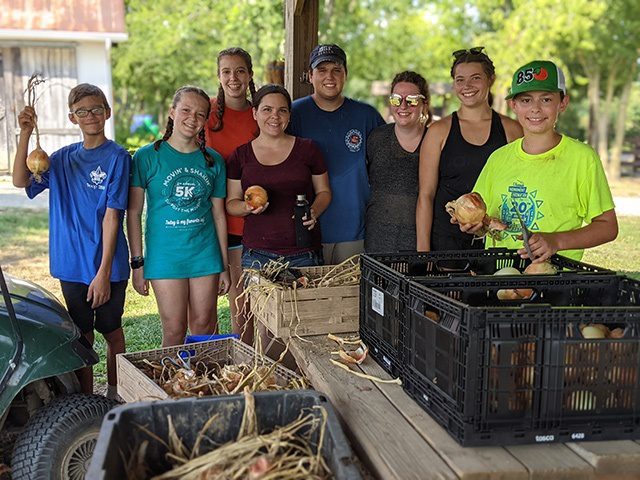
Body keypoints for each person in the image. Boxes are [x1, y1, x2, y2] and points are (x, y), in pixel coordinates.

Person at [12, 84, 130, 399]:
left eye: (96, 109)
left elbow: (112, 216)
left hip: (108, 266)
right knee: (82, 336)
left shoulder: (118, 157)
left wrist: (103, 273)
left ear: (107, 112)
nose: (90, 116)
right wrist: (25, 134)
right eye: (82, 111)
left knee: (112, 331)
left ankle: (116, 395)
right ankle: (88, 401)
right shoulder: (60, 160)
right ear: (72, 118)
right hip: (71, 265)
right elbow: (21, 180)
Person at [456, 60, 617, 262]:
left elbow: (608, 226)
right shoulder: (498, 158)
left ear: (563, 103)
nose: (535, 109)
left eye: (546, 100)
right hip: (500, 279)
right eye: (525, 100)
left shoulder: (582, 158)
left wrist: (556, 241)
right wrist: (475, 226)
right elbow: (486, 222)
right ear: (513, 105)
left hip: (556, 280)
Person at [128, 86, 229, 347]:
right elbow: (134, 212)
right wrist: (138, 264)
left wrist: (224, 266)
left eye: (200, 114)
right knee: (174, 330)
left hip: (204, 254)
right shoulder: (146, 157)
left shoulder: (213, 161)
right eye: (186, 110)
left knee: (204, 326)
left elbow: (219, 215)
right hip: (165, 256)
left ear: (206, 120)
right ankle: (172, 387)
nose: (192, 118)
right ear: (172, 112)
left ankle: (202, 386)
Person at [416, 47, 523, 251]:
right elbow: (426, 196)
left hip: (497, 241)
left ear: (490, 79)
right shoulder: (439, 131)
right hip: (447, 243)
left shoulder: (511, 130)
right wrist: (423, 255)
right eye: (460, 79)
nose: (467, 86)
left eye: (475, 78)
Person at [288, 44, 385, 264]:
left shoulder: (366, 116)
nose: (329, 76)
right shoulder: (293, 114)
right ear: (310, 76)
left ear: (346, 75)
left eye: (336, 70)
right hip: (306, 231)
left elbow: (385, 170)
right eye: (321, 70)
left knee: (351, 298)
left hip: (355, 231)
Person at [226, 84, 331, 269]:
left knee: (304, 300)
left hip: (303, 253)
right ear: (255, 113)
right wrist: (247, 207)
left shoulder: (308, 149)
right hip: (257, 255)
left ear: (289, 116)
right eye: (267, 109)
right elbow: (231, 203)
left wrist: (314, 211)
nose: (275, 116)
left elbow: (324, 192)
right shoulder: (240, 155)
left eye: (282, 110)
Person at [205, 47, 258, 341]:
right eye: (226, 71)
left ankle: (244, 362)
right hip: (207, 221)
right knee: (204, 303)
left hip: (245, 220)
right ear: (218, 76)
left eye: (240, 71)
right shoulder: (206, 114)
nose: (233, 78)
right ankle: (208, 366)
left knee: (241, 302)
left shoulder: (261, 114)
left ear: (250, 75)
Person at [365, 71, 431, 253]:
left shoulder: (435, 141)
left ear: (424, 105)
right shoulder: (376, 138)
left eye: (412, 100)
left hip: (421, 243)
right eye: (396, 99)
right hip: (377, 242)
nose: (403, 105)